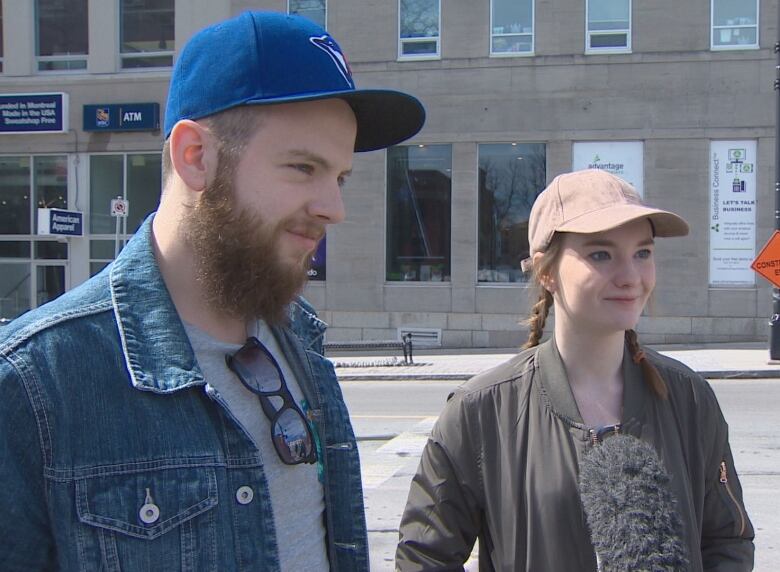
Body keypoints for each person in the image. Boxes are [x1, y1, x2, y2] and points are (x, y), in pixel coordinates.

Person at [0, 11, 424, 571]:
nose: (333, 208)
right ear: (195, 157)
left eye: (339, 177)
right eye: (303, 167)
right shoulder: (36, 383)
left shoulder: (301, 342)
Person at [396, 169, 755, 571]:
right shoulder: (480, 411)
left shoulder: (689, 397)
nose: (631, 276)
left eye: (643, 252)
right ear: (545, 271)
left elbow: (728, 539)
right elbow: (424, 557)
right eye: (601, 254)